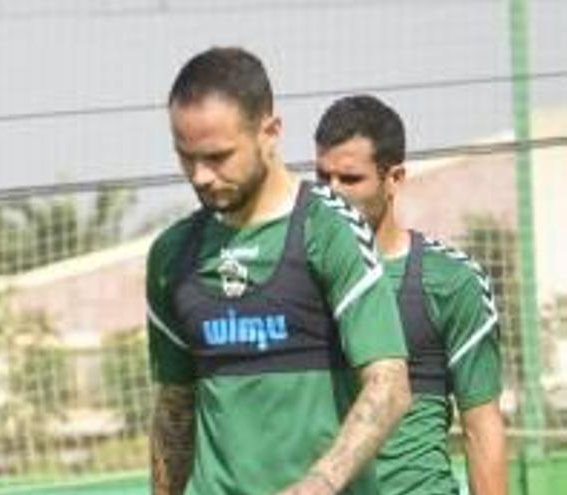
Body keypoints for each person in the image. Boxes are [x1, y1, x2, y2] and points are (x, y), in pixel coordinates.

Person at [147, 46, 411, 495]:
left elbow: (390, 385)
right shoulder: (172, 255)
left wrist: (320, 483)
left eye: (218, 156)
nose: (201, 176)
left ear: (269, 132)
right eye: (186, 157)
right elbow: (174, 407)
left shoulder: (330, 229)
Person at [314, 94, 507, 495]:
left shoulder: (452, 281)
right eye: (322, 178)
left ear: (394, 179)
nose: (332, 193)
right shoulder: (300, 279)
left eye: (349, 179)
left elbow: (481, 426)